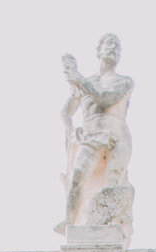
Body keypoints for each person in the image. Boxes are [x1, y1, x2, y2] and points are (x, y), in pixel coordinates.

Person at [56, 33, 133, 232]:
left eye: (118, 47)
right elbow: (66, 111)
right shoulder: (86, 81)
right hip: (91, 132)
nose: (114, 49)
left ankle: (110, 225)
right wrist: (70, 131)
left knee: (112, 181)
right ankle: (69, 220)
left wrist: (79, 79)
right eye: (109, 44)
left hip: (116, 134)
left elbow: (106, 99)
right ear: (98, 51)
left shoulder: (124, 81)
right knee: (77, 175)